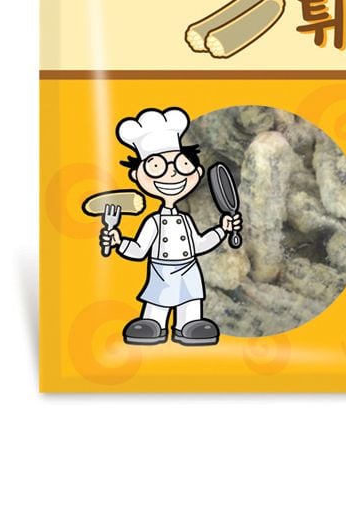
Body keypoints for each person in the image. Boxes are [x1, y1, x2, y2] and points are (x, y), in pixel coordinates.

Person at [102, 107, 242, 346]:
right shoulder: (154, 221)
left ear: (196, 171)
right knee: (157, 302)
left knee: (190, 303)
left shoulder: (185, 221)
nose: (172, 175)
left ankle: (189, 325)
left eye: (182, 165)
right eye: (157, 167)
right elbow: (139, 249)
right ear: (137, 176)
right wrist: (119, 241)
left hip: (188, 270)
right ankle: (152, 324)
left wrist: (222, 229)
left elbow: (199, 243)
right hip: (162, 270)